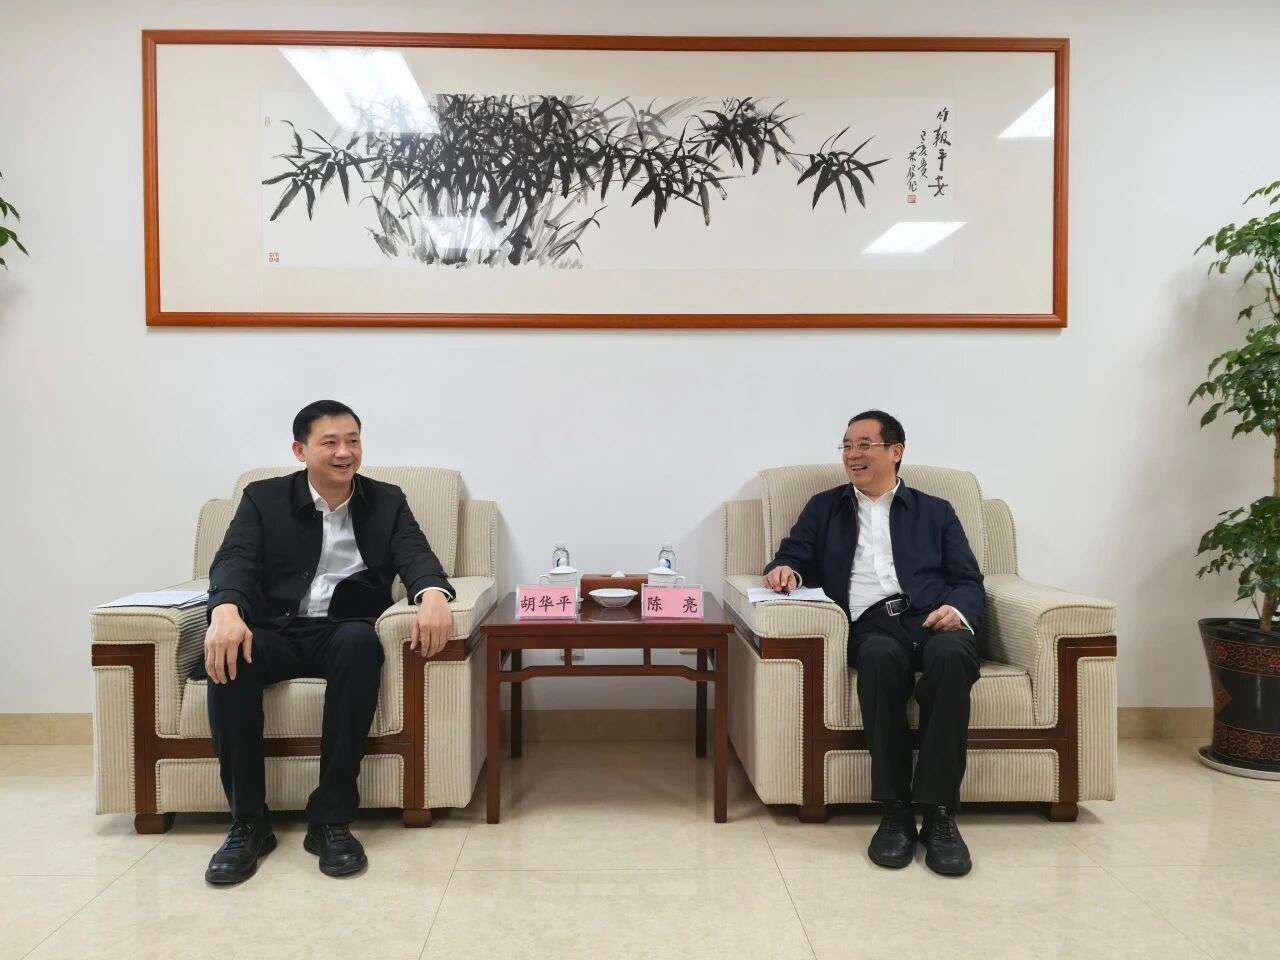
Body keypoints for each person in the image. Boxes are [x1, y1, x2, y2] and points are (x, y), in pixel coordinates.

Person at [198, 400, 455, 885]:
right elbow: (235, 559)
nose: (344, 453)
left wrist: (434, 595)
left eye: (353, 441)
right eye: (330, 443)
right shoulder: (263, 498)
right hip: (274, 629)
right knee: (232, 658)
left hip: (342, 630)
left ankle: (331, 821)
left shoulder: (386, 500)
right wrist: (226, 609)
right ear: (300, 451)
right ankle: (248, 823)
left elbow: (416, 555)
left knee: (361, 644)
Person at [763, 410, 983, 876]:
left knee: (952, 658)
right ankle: (895, 811)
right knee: (880, 660)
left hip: (934, 618)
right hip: (871, 623)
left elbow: (968, 579)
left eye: (864, 444)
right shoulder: (825, 508)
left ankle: (939, 814)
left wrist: (958, 611)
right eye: (846, 446)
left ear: (895, 452)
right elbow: (792, 555)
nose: (852, 454)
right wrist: (785, 571)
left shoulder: (936, 511)